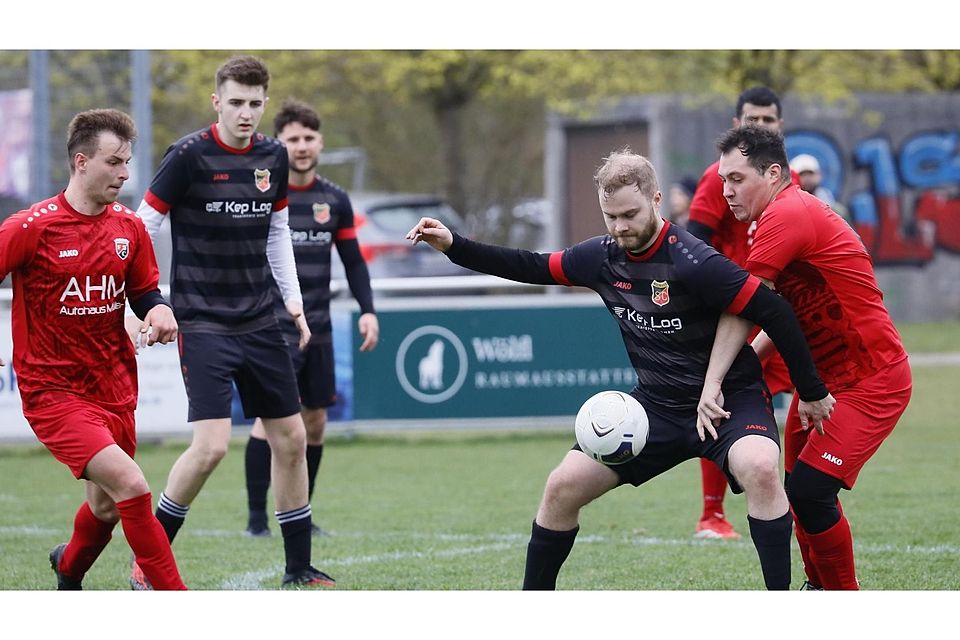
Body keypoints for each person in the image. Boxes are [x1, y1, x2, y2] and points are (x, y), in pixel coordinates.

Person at [406, 148, 835, 590]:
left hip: (728, 400)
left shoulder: (694, 261)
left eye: (630, 214)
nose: (620, 227)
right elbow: (530, 265)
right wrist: (454, 246)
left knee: (762, 469)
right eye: (610, 216)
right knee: (561, 487)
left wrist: (812, 390)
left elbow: (776, 312)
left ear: (656, 199)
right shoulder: (600, 257)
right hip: (655, 409)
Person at [134, 55, 334, 588]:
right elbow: (140, 227)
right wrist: (147, 300)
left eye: (255, 103)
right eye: (236, 102)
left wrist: (292, 303)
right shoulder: (188, 156)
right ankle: (148, 564)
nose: (246, 113)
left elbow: (276, 233)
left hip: (261, 320)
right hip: (202, 323)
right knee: (212, 448)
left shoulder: (273, 154)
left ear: (265, 103)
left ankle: (298, 568)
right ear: (216, 102)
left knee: (291, 439)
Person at [706, 125, 912, 590]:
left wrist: (713, 380)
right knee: (799, 494)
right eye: (722, 180)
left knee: (810, 490)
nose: (727, 190)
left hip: (872, 379)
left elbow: (746, 306)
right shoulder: (774, 216)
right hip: (823, 383)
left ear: (774, 173)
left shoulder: (787, 215)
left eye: (736, 179)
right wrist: (747, 367)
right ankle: (817, 588)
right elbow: (778, 315)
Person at [0, 109, 187, 590]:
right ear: (81, 162)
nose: (125, 174)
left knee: (104, 506)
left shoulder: (129, 227)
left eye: (128, 162)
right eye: (114, 162)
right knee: (132, 485)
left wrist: (159, 311)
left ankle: (68, 570)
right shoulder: (31, 227)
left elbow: (145, 292)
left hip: (115, 386)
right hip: (53, 392)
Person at [244, 98, 379, 538]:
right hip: (270, 328)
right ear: (279, 144)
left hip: (318, 328)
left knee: (315, 422)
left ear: (319, 143)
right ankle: (257, 521)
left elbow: (354, 262)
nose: (301, 146)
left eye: (308, 138)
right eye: (292, 139)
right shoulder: (262, 194)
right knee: (272, 423)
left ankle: (301, 512)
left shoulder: (334, 199)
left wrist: (368, 311)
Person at [684, 85, 798, 540]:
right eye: (752, 119)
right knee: (722, 398)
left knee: (795, 401)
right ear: (736, 124)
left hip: (773, 308)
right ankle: (711, 514)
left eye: (768, 121)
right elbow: (691, 242)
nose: (760, 127)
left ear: (780, 126)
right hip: (734, 311)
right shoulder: (719, 178)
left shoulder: (787, 185)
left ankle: (791, 497)